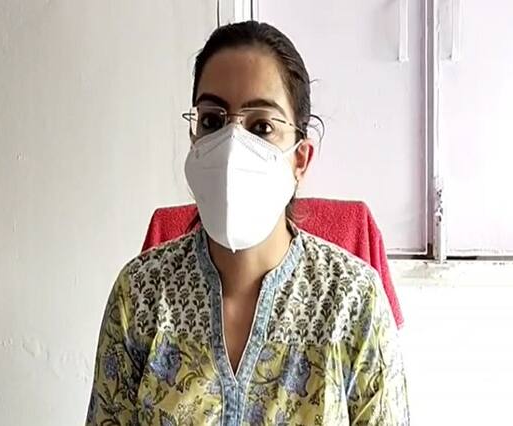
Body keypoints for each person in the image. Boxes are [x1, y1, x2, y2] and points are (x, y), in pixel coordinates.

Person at [86, 21, 409, 426]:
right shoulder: (140, 295)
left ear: (300, 158)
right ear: (194, 139)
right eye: (211, 121)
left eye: (261, 127)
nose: (231, 146)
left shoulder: (353, 300)